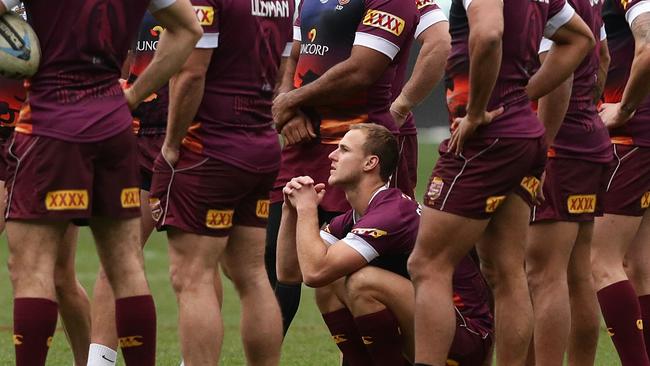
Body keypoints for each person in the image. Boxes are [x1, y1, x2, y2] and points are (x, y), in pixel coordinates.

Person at [0, 1, 202, 365]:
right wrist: (134, 95)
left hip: (50, 122)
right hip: (112, 121)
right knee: (126, 266)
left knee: (32, 269)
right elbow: (189, 29)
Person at [406, 0, 596, 364]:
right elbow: (580, 39)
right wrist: (520, 100)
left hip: (487, 137)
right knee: (506, 271)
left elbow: (489, 34)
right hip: (523, 134)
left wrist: (477, 111)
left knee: (428, 263)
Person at [149, 0, 294, 363]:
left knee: (192, 276)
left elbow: (191, 73)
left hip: (209, 147)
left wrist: (170, 144)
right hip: (259, 142)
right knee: (252, 275)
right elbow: (282, 70)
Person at [280, 124, 493, 365]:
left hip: (465, 337)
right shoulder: (353, 217)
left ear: (370, 163)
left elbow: (315, 271)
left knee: (363, 282)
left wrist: (308, 209)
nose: (332, 155)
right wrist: (291, 211)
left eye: (344, 149)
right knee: (333, 280)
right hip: (430, 329)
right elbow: (290, 273)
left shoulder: (392, 212)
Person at [268, 0, 420, 335]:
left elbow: (361, 70)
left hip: (360, 145)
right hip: (303, 141)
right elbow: (292, 60)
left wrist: (292, 101)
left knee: (362, 275)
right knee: (275, 267)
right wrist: (288, 110)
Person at [525, 0, 611, 365]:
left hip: (560, 146)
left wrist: (540, 149)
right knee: (577, 274)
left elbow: (560, 73)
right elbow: (602, 58)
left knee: (545, 275)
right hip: (587, 139)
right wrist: (585, 110)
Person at [86, 11, 174, 366]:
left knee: (195, 266)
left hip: (185, 137)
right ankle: (99, 362)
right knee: (118, 258)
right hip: (129, 136)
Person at [591, 0, 650, 364]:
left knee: (600, 261)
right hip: (642, 139)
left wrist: (625, 108)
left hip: (631, 138)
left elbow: (647, 46)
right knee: (638, 264)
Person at [389, 0, 451, 197]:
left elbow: (441, 42)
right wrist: (293, 103)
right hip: (312, 130)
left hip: (377, 128)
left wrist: (400, 106)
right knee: (301, 207)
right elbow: (297, 53)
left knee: (386, 218)